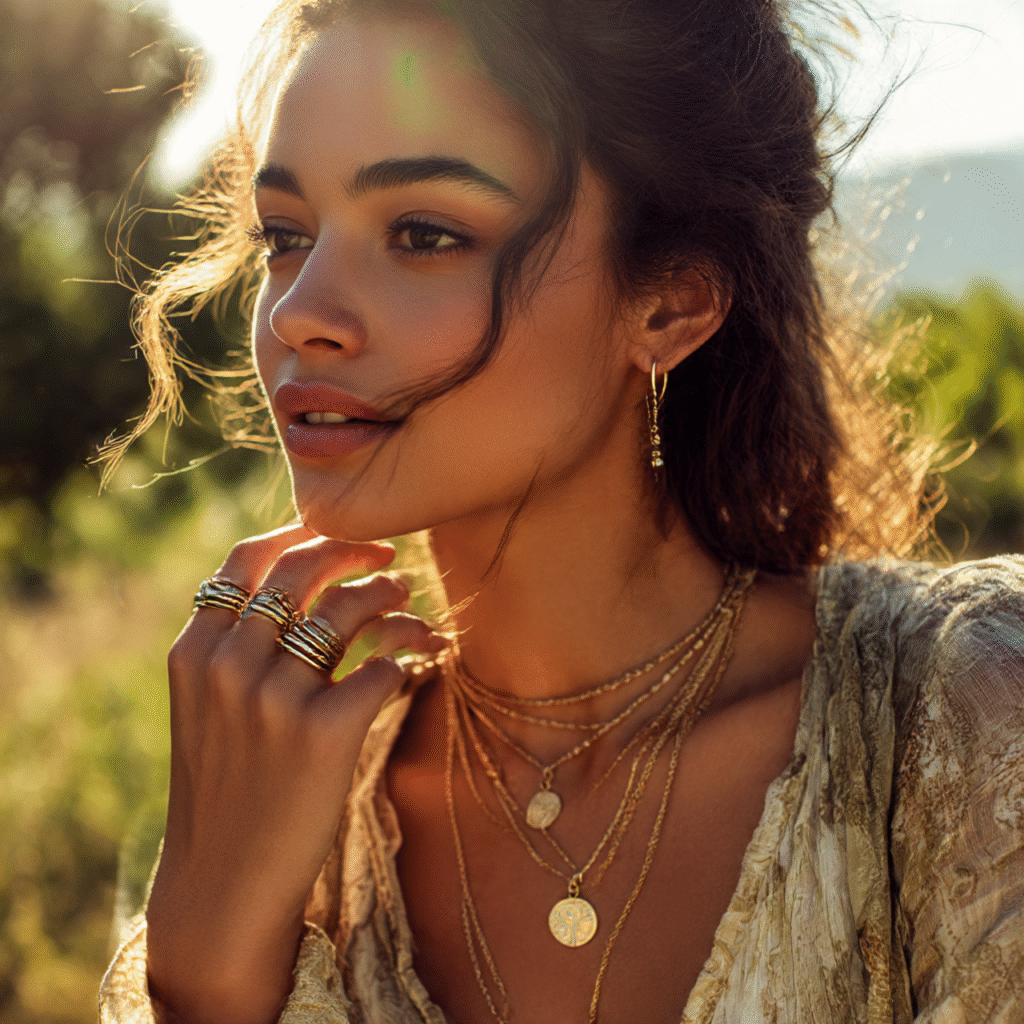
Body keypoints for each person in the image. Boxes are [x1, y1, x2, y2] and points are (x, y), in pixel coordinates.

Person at [98, 0, 1024, 1021]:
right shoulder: (287, 824)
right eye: (285, 235)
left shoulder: (957, 726)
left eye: (422, 233)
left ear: (669, 303)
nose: (297, 313)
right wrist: (203, 981)